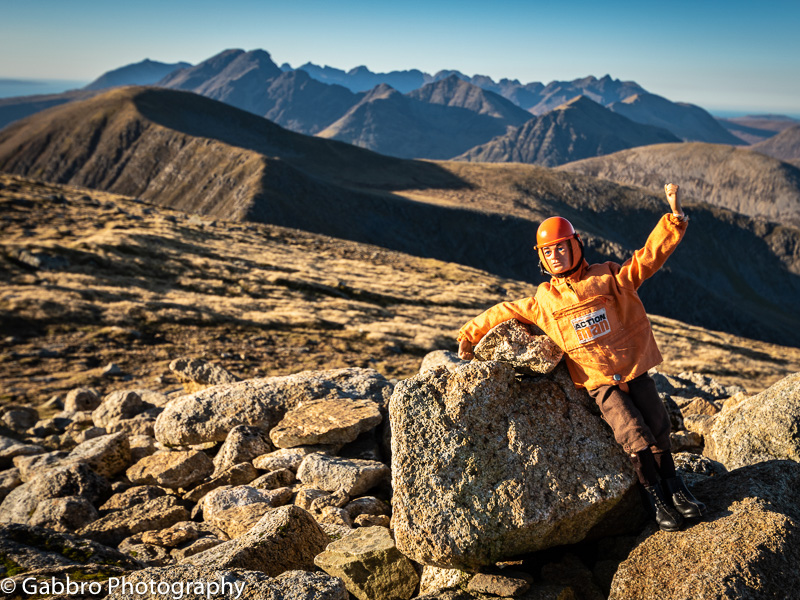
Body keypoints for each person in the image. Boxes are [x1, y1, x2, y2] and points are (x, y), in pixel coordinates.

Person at [456, 183, 705, 531]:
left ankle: (675, 487)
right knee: (633, 434)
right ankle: (655, 498)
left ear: (575, 246)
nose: (556, 255)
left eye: (561, 247)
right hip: (600, 381)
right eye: (549, 251)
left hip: (633, 369)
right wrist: (469, 334)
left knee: (659, 426)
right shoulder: (543, 301)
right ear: (542, 258)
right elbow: (504, 310)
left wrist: (673, 219)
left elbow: (646, 260)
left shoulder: (607, 277)